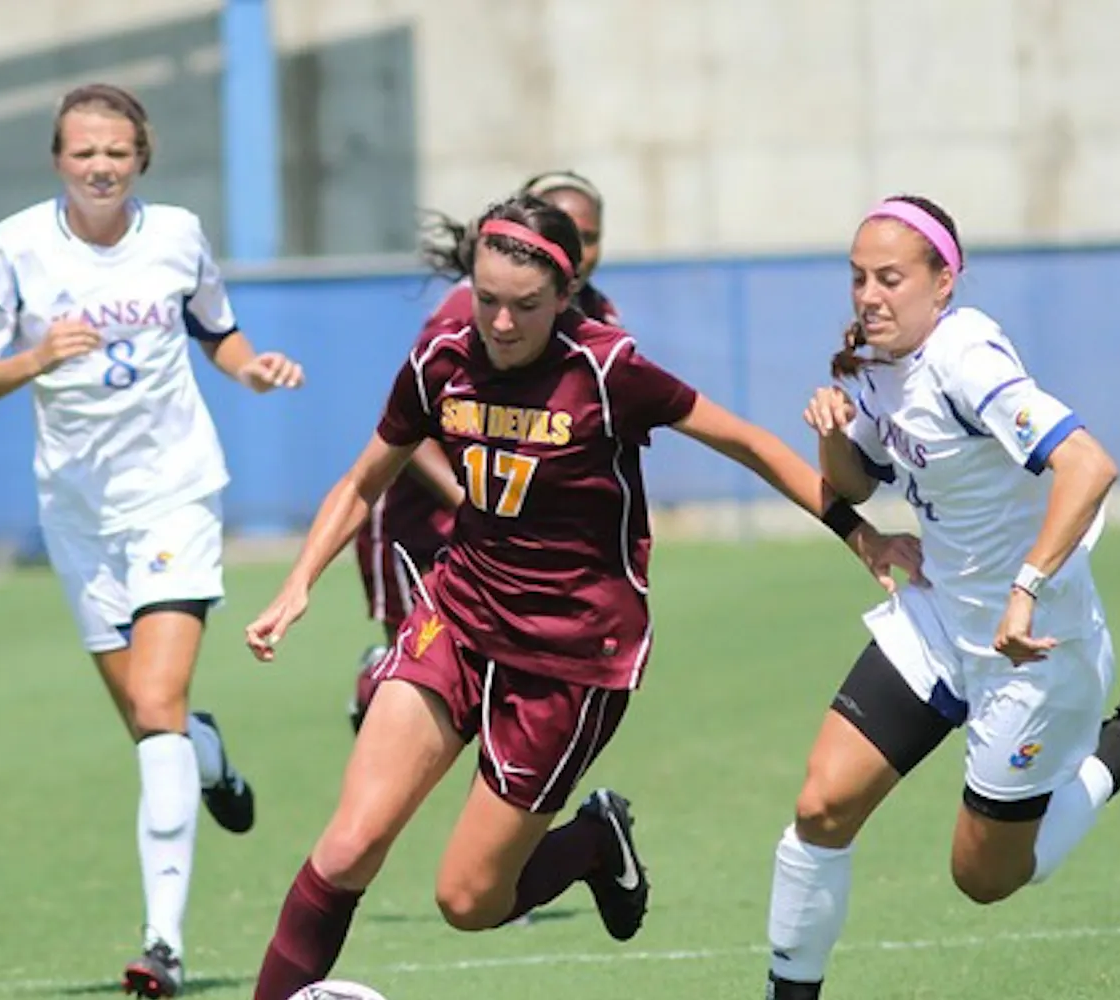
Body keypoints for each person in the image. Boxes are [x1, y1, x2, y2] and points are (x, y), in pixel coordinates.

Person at [241, 192, 924, 999]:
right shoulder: (441, 361)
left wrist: (860, 533)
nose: (499, 322)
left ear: (565, 297)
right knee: (348, 847)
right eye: (486, 299)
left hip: (572, 660)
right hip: (455, 621)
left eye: (524, 307)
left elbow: (747, 443)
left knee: (468, 901)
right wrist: (296, 584)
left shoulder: (607, 370)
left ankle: (596, 841)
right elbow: (363, 481)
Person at [763, 194, 1120, 999]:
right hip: (939, 619)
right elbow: (856, 478)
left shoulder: (968, 359)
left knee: (986, 878)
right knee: (821, 806)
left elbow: (1089, 465)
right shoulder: (874, 361)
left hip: (1034, 647)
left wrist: (1026, 589)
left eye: (890, 278)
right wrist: (832, 432)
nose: (869, 295)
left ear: (944, 283)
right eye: (859, 277)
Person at [0, 83, 304, 999]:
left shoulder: (178, 232)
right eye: (82, 152)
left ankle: (164, 945)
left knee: (154, 707)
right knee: (155, 723)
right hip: (77, 518)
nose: (100, 166)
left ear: (142, 156)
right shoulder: (15, 246)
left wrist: (251, 370)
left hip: (175, 494)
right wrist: (32, 358)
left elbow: (216, 331)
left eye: (116, 151)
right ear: (57, 160)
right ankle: (212, 756)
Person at [346, 169, 620, 733]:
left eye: (589, 236)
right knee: (425, 685)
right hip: (421, 521)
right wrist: (476, 501)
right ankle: (379, 675)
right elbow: (412, 428)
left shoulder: (597, 315)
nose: (579, 248)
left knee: (504, 699)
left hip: (506, 534)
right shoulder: (472, 311)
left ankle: (566, 824)